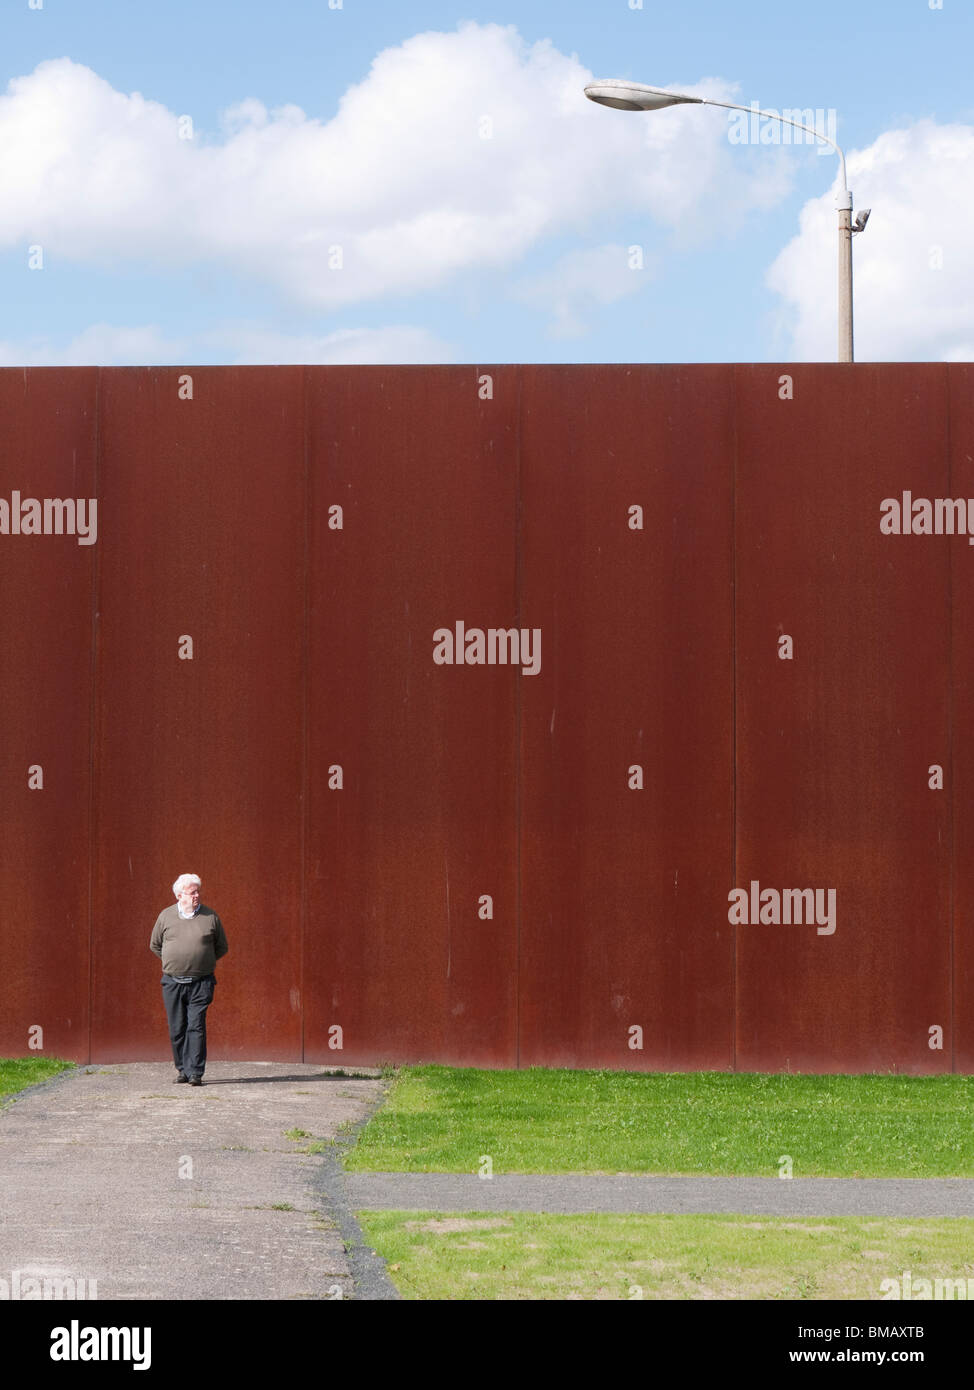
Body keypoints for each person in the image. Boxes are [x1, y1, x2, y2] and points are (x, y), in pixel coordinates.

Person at [149, 874, 228, 1086]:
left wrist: (203, 962)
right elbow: (155, 945)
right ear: (179, 895)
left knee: (196, 1026)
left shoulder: (210, 917)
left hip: (201, 983)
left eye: (198, 891)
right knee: (177, 1027)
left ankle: (195, 1073)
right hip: (172, 983)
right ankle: (182, 1069)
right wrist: (173, 963)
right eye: (192, 892)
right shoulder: (165, 917)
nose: (197, 896)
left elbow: (221, 947)